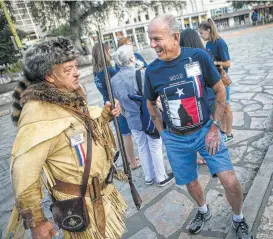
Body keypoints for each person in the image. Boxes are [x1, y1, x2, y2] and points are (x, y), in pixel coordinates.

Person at [5, 37, 126, 238]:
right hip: (79, 205)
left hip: (104, 196)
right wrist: (37, 222)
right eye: (68, 70)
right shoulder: (37, 112)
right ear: (49, 77)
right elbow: (23, 172)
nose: (77, 73)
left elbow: (82, 127)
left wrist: (105, 115)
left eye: (76, 66)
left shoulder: (70, 96)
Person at [145, 14, 253, 238]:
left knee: (229, 181)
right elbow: (149, 101)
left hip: (206, 131)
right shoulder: (152, 70)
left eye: (157, 39)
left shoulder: (197, 57)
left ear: (175, 36)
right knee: (191, 181)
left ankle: (238, 218)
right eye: (150, 39)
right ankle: (203, 211)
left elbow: (220, 90)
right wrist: (162, 133)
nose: (152, 44)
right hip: (175, 138)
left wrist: (215, 127)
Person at [111, 44, 174, 187]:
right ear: (132, 58)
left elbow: (118, 103)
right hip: (148, 116)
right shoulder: (140, 74)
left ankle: (148, 177)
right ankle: (161, 177)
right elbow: (153, 97)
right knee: (155, 146)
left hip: (132, 118)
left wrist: (128, 115)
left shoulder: (114, 80)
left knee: (142, 147)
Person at [92, 43, 141, 170]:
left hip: (108, 104)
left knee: (121, 134)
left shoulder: (96, 73)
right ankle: (132, 162)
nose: (110, 54)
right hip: (117, 105)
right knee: (126, 135)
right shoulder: (109, 71)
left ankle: (129, 159)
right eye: (108, 51)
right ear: (104, 53)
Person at [180, 28, 216, 166]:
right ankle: (212, 152)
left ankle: (205, 154)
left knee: (199, 128)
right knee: (210, 125)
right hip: (212, 94)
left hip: (200, 98)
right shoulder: (206, 53)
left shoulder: (188, 61)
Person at [199, 18, 234, 144]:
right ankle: (224, 131)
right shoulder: (208, 44)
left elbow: (228, 64)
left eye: (202, 33)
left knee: (227, 107)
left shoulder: (220, 43)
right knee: (221, 107)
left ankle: (229, 133)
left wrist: (213, 63)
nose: (201, 36)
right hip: (215, 81)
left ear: (208, 30)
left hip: (223, 81)